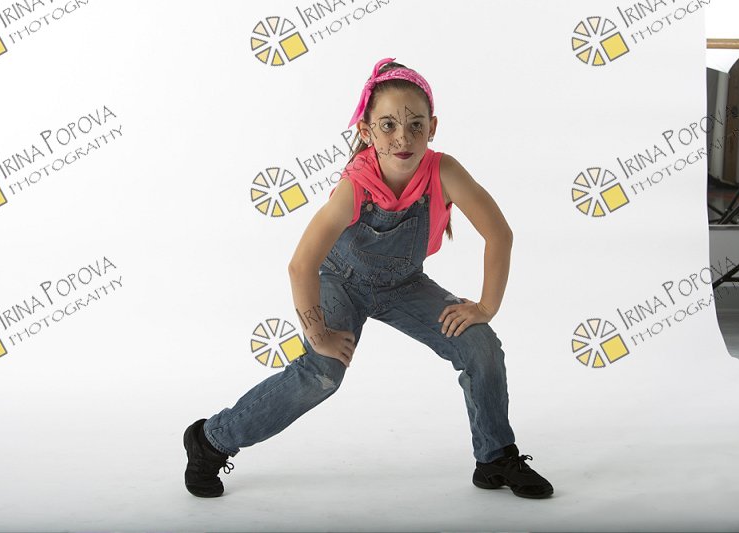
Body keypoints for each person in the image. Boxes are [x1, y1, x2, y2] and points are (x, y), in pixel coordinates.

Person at [183, 57, 554, 500]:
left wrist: (486, 307)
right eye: (388, 125)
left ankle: (495, 457)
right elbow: (301, 265)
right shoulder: (355, 185)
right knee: (323, 372)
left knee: (480, 343)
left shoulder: (444, 172)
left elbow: (499, 234)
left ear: (433, 127)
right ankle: (212, 439)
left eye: (416, 125)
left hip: (404, 284)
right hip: (341, 282)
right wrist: (318, 334)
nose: (403, 138)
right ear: (366, 131)